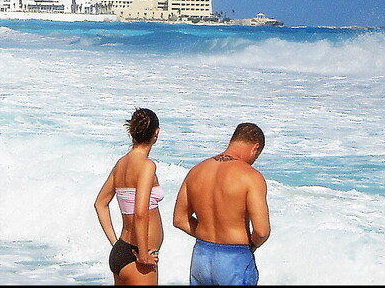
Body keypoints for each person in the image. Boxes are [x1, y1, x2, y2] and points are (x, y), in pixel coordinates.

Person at [173, 122, 270, 286]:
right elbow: (261, 231)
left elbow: (179, 219)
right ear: (255, 147)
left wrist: (209, 235)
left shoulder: (196, 171)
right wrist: (250, 245)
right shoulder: (251, 177)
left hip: (201, 258)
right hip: (234, 260)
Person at [94, 108, 164, 285]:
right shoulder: (147, 166)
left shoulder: (121, 164)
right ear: (156, 133)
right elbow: (141, 212)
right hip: (138, 256)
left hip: (121, 249)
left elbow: (100, 204)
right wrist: (142, 253)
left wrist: (115, 244)